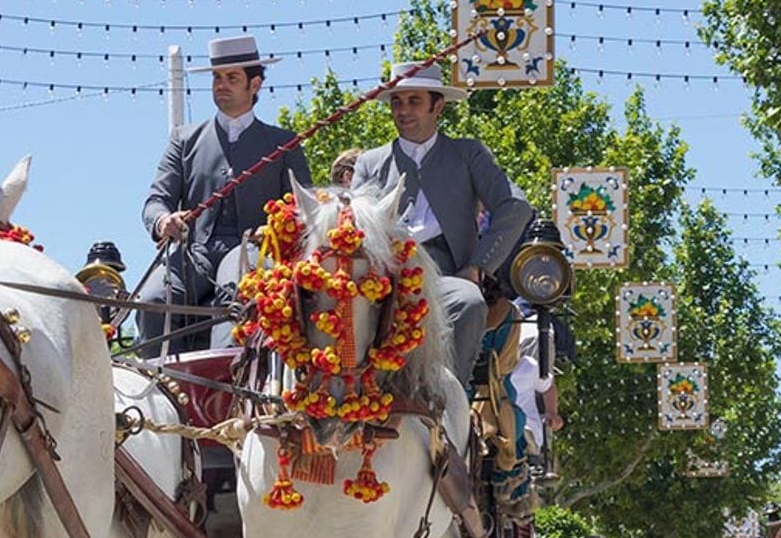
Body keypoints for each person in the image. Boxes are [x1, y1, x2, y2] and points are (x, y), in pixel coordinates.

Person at [350, 61, 536, 384]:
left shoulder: (468, 154)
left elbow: (515, 206)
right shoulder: (369, 163)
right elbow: (352, 229)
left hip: (447, 277)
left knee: (469, 302)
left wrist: (479, 265)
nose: (403, 111)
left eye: (414, 101)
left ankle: (450, 402)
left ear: (438, 106)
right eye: (397, 102)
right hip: (384, 281)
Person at [138, 34, 312, 354]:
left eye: (232, 78)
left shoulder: (285, 144)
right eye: (217, 78)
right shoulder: (184, 139)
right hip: (195, 252)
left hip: (252, 251)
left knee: (237, 301)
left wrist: (275, 230)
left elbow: (305, 210)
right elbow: (155, 201)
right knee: (151, 301)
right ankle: (162, 392)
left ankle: (228, 390)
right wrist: (164, 221)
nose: (221, 85)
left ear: (255, 84)